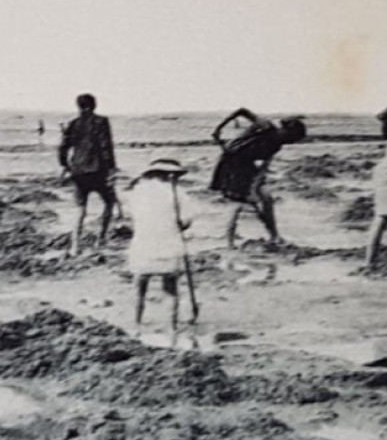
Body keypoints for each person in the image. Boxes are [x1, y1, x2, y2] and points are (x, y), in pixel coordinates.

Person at [209, 108, 307, 248]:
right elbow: (242, 110)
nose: (290, 142)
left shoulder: (277, 144)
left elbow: (264, 167)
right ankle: (229, 243)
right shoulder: (265, 125)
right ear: (286, 131)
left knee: (266, 198)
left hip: (247, 166)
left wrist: (254, 186)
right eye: (291, 138)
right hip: (231, 163)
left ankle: (274, 236)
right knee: (237, 203)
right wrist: (219, 128)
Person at [126, 158, 194, 331]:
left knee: (140, 288)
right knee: (170, 289)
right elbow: (185, 222)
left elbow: (132, 216)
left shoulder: (137, 192)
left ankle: (137, 321)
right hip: (169, 246)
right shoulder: (178, 192)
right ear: (171, 175)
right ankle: (172, 325)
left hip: (142, 247)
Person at [58, 93, 118, 255]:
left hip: (78, 171)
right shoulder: (102, 122)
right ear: (94, 105)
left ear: (78, 106)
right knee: (109, 203)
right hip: (98, 170)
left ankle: (75, 246)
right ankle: (101, 239)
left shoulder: (73, 124)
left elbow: (63, 147)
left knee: (80, 209)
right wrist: (112, 169)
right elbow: (106, 147)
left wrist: (66, 165)